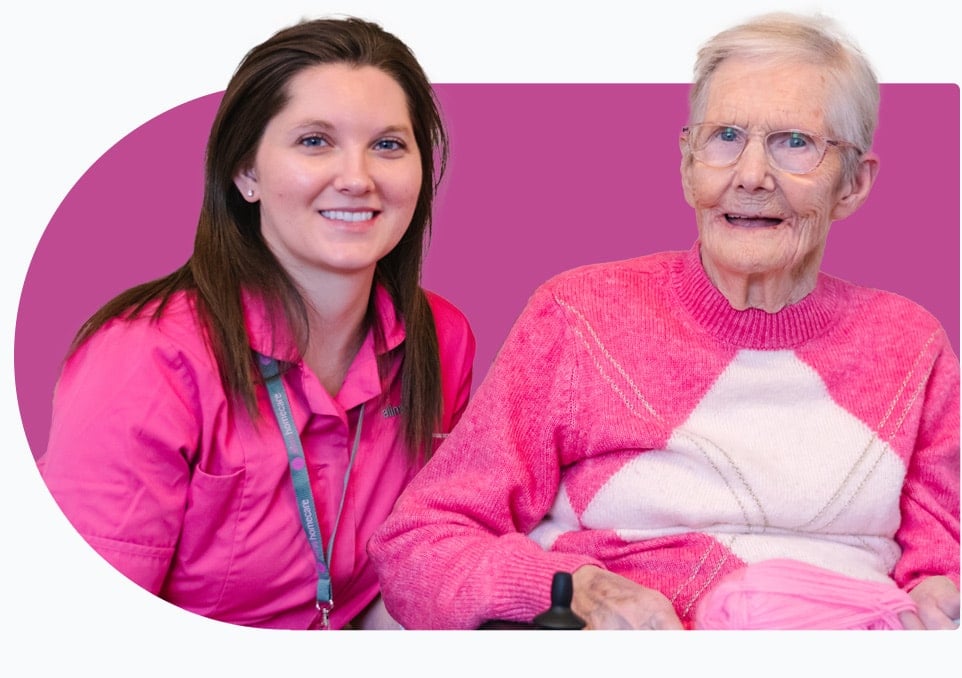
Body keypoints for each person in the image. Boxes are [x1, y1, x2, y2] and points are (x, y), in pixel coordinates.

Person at [368, 12, 959, 630]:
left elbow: (941, 569)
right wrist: (575, 590)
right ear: (687, 164)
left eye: (795, 143)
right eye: (725, 136)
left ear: (853, 185)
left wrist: (938, 603)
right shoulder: (581, 317)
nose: (751, 176)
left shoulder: (911, 346)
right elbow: (420, 545)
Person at [38, 17, 475, 630]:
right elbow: (82, 628)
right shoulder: (141, 358)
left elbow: (424, 544)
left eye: (388, 145)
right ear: (246, 173)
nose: (357, 178)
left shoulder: (440, 337)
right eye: (315, 141)